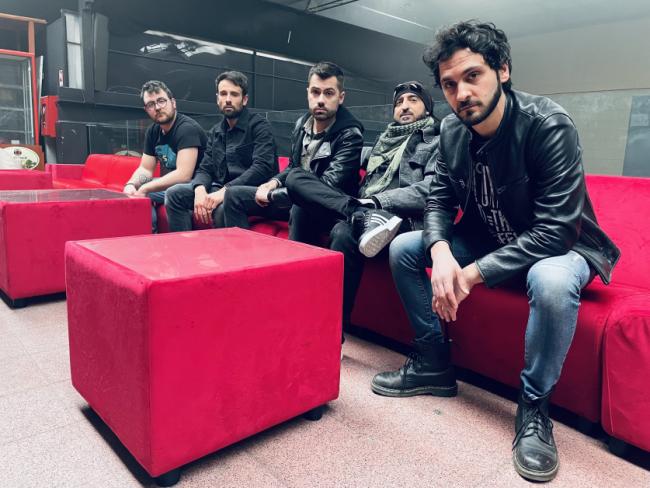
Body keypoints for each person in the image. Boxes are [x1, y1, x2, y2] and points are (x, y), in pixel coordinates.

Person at [372, 21, 620, 483]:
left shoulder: (547, 124)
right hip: (491, 239)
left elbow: (556, 231)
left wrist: (469, 275)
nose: (462, 93)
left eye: (473, 76)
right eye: (449, 84)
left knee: (549, 280)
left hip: (564, 247)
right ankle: (433, 364)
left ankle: (534, 408)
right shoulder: (451, 131)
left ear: (502, 70)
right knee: (406, 246)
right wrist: (441, 251)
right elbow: (438, 200)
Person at [284, 80, 439, 327]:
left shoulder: (435, 142)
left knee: (344, 230)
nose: (404, 106)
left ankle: (333, 329)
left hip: (398, 221)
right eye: (399, 102)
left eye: (413, 100)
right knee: (296, 181)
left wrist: (376, 201)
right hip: (361, 212)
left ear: (427, 108)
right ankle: (302, 307)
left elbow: (428, 191)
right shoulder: (382, 142)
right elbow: (342, 162)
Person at [222, 61, 363, 245]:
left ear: (341, 97)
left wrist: (273, 195)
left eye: (329, 93)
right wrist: (273, 183)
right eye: (315, 92)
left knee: (299, 206)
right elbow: (293, 167)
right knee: (233, 196)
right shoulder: (301, 125)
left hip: (327, 208)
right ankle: (243, 258)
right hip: (291, 197)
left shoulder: (350, 134)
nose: (321, 99)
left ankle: (297, 262)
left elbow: (327, 187)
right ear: (308, 93)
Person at [165, 71, 277, 231]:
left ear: (244, 99)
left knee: (224, 206)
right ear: (218, 98)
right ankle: (186, 245)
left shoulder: (260, 126)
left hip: (254, 192)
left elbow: (261, 168)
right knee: (174, 194)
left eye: (234, 94)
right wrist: (199, 189)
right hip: (221, 189)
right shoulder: (216, 131)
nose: (228, 99)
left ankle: (232, 248)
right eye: (223, 94)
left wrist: (225, 191)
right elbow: (205, 168)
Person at [123, 80, 207, 232]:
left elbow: (184, 175)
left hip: (198, 185)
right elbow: (146, 169)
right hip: (175, 185)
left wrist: (145, 188)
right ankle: (150, 236)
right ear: (146, 110)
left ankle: (182, 243)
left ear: (173, 103)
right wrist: (131, 184)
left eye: (161, 101)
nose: (157, 107)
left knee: (155, 192)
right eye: (151, 104)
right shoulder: (153, 131)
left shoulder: (186, 129)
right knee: (134, 193)